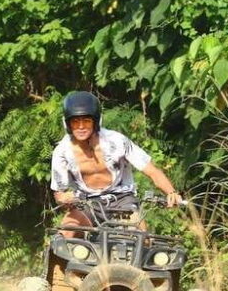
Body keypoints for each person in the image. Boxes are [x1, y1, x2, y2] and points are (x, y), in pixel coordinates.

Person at [50, 91, 181, 235]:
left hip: (121, 201)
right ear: (67, 124)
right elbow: (59, 193)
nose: (81, 126)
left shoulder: (117, 141)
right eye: (75, 121)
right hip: (85, 204)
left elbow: (151, 170)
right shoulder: (61, 152)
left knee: (140, 238)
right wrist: (64, 199)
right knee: (62, 238)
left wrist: (171, 192)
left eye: (86, 121)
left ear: (96, 121)